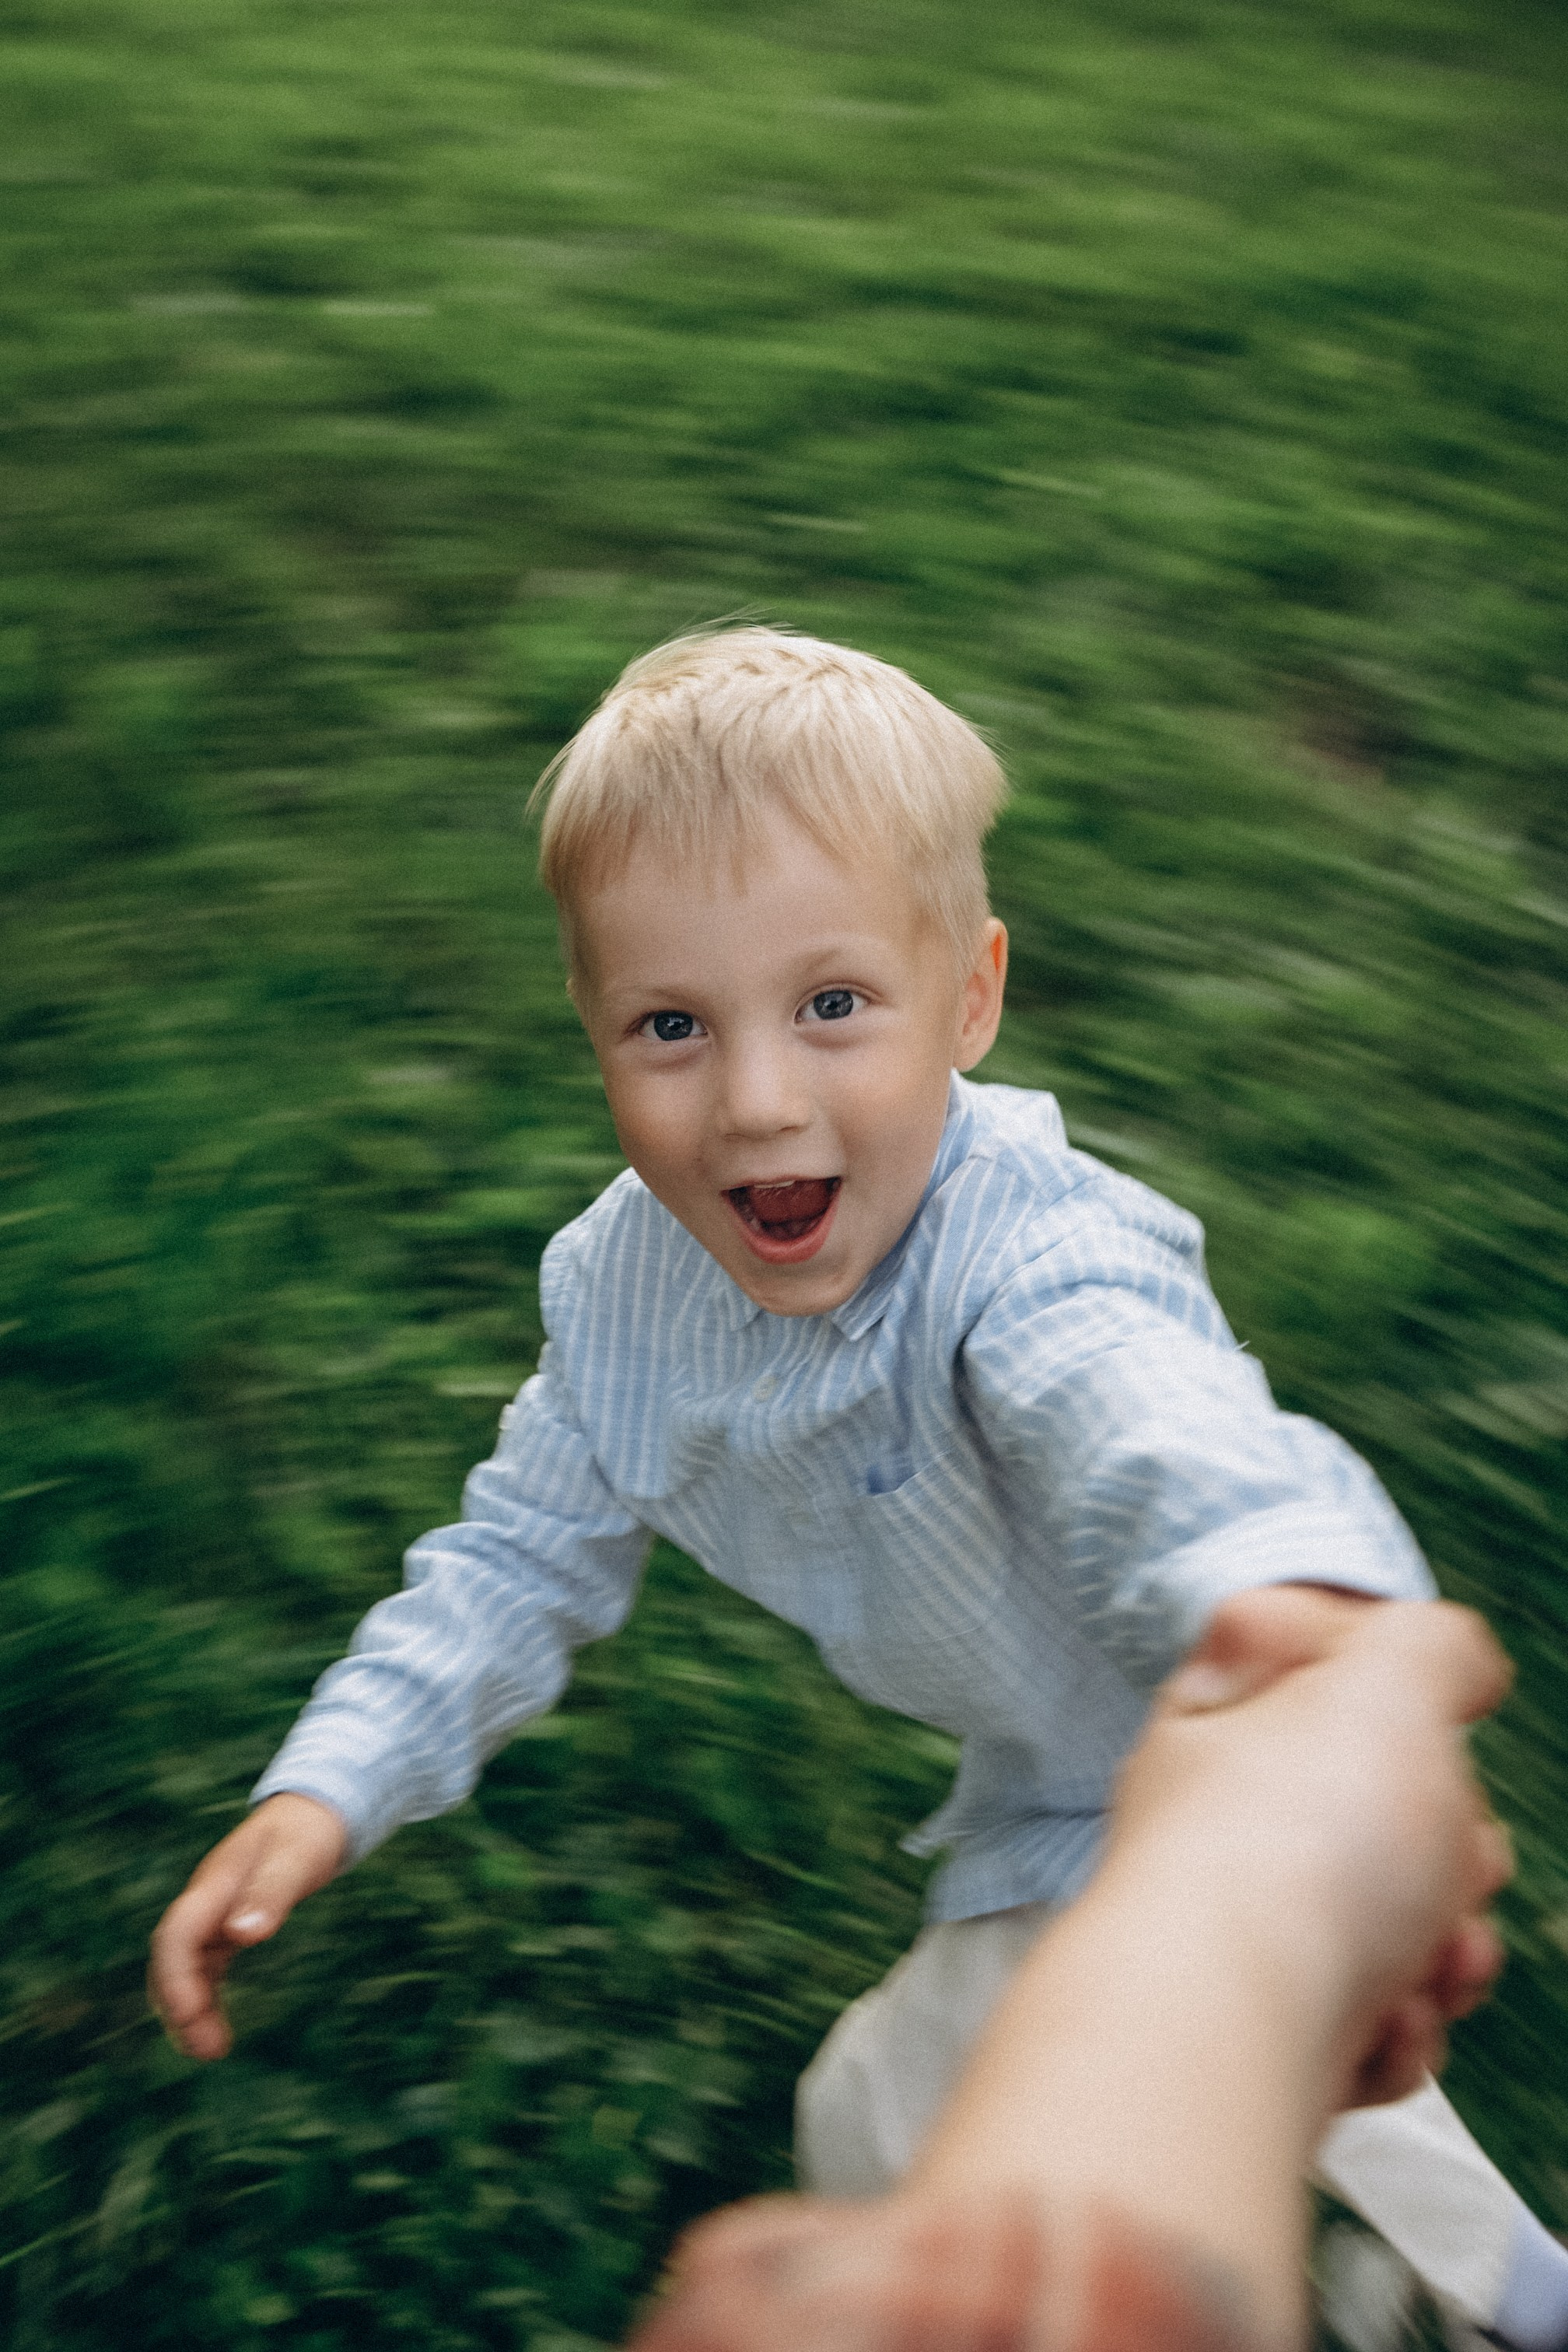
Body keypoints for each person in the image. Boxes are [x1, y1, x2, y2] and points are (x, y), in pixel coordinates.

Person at [149, 628, 1566, 2348]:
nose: (756, 1104)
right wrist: (330, 1785)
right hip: (1041, 1796)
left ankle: (1492, 2305)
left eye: (834, 1006)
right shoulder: (622, 1297)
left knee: (1253, 2089)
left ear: (969, 996)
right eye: (670, 1024)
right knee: (891, 2121)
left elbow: (1148, 1410)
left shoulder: (1028, 1250)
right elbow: (514, 1559)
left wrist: (1283, 1596)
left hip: (1214, 1752)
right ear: (592, 1028)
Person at [628, 1595, 1515, 2352]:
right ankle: (1499, 2294)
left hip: (1107, 1838)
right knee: (868, 2109)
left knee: (866, 2107)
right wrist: (1272, 1877)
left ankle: (1494, 2291)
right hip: (1161, 1829)